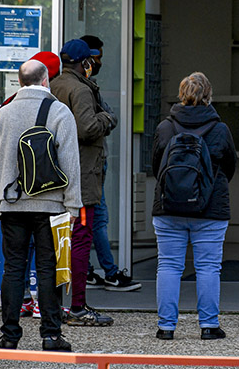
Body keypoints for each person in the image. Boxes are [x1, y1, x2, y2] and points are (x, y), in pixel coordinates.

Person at [0, 58, 82, 351]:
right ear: (45, 81)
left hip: (12, 204)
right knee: (48, 269)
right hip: (51, 206)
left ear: (19, 82)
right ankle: (51, 335)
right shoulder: (59, 112)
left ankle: (9, 336)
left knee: (13, 269)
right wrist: (73, 205)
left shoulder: (3, 113)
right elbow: (70, 162)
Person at [150, 72, 237, 341]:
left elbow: (156, 167)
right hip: (210, 210)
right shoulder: (220, 129)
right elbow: (230, 167)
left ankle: (166, 327)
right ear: (209, 96)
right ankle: (209, 326)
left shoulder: (165, 127)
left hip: (169, 208)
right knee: (209, 267)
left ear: (181, 95)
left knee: (168, 266)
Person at [51, 38, 117, 326]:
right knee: (80, 240)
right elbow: (88, 128)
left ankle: (53, 306)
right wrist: (108, 118)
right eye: (92, 60)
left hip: (56, 177)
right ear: (85, 63)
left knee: (54, 244)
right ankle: (78, 306)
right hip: (82, 177)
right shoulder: (80, 89)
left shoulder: (54, 85)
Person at [79, 35, 142, 292]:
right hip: (91, 164)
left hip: (89, 162)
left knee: (92, 220)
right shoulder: (85, 88)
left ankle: (91, 271)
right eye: (98, 57)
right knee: (98, 219)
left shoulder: (78, 86)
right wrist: (107, 119)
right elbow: (105, 118)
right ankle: (110, 273)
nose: (100, 62)